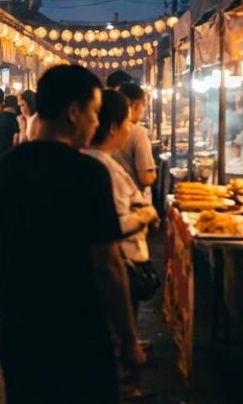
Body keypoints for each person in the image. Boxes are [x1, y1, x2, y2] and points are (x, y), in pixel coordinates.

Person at [0, 65, 141, 403]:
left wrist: (10, 320)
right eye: (94, 113)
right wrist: (128, 339)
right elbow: (108, 265)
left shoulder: (0, 171)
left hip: (19, 334)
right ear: (74, 112)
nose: (97, 123)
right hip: (79, 330)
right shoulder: (89, 173)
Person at [84, 88, 159, 399]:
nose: (132, 129)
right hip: (120, 265)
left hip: (118, 265)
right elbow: (111, 227)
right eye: (128, 122)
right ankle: (121, 385)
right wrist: (144, 216)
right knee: (113, 341)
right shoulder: (101, 167)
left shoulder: (102, 162)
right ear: (113, 127)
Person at [113, 83, 157, 194]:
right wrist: (153, 173)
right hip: (133, 198)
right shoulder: (138, 132)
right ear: (136, 105)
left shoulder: (103, 128)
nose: (142, 112)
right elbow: (146, 178)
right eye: (143, 107)